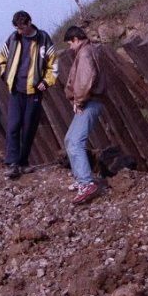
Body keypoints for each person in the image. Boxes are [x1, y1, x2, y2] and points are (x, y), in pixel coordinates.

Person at [0, 10, 58, 179]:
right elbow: (2, 57)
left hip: (34, 92)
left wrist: (46, 81)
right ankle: (12, 163)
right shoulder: (13, 38)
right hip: (16, 90)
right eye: (17, 28)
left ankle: (23, 162)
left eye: (22, 28)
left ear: (29, 23)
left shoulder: (43, 38)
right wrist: (5, 75)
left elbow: (53, 64)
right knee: (13, 126)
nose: (19, 31)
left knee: (29, 128)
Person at [62, 26, 107, 204]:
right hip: (89, 101)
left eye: (70, 43)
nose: (70, 47)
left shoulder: (85, 52)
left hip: (89, 102)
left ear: (75, 39)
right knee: (69, 139)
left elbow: (86, 78)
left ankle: (87, 183)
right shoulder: (87, 51)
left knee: (75, 142)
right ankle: (81, 177)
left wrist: (79, 101)